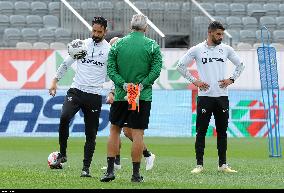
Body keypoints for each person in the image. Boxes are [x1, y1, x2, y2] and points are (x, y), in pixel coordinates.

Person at [100, 14, 162, 183]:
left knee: (114, 130)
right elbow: (156, 71)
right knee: (137, 134)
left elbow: (111, 70)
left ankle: (110, 171)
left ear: (130, 26)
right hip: (141, 96)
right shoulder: (152, 46)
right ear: (146, 28)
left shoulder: (118, 44)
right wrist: (141, 85)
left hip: (121, 95)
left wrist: (123, 85)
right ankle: (135, 175)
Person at [176, 21, 245, 174]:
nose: (221, 37)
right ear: (210, 33)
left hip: (222, 97)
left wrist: (231, 79)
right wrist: (195, 81)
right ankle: (199, 165)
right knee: (201, 131)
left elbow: (241, 65)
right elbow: (180, 66)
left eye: (222, 34)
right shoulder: (197, 50)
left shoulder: (226, 49)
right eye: (218, 34)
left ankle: (223, 165)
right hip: (205, 97)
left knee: (222, 132)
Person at [48, 16, 111, 177]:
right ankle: (62, 154)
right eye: (94, 30)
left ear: (105, 31)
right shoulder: (82, 45)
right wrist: (55, 81)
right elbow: (66, 64)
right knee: (64, 117)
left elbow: (113, 74)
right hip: (76, 91)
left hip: (94, 94)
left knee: (91, 134)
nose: (96, 34)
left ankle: (85, 168)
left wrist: (112, 91)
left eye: (99, 31)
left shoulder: (109, 50)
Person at [104, 37, 156, 172]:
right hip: (122, 95)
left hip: (130, 95)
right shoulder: (115, 58)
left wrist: (113, 92)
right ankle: (117, 161)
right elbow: (113, 78)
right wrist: (112, 92)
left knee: (126, 131)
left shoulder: (123, 57)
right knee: (118, 129)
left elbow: (117, 78)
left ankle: (147, 154)